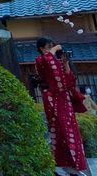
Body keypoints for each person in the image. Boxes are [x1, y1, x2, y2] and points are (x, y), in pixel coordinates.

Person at [35, 37, 88, 176]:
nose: (52, 49)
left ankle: (73, 165)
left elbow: (69, 81)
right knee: (58, 128)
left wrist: (65, 63)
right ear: (41, 48)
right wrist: (54, 49)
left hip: (64, 98)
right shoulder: (40, 60)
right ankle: (59, 165)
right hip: (52, 98)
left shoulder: (55, 61)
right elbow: (47, 61)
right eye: (48, 46)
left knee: (70, 129)